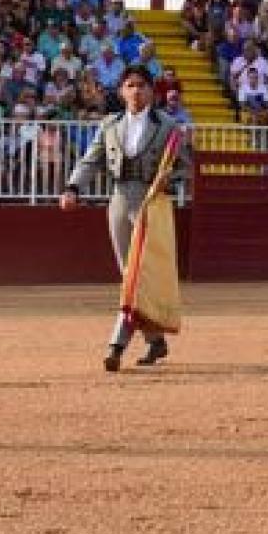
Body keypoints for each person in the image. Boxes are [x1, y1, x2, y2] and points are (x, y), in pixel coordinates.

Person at [60, 64, 190, 371]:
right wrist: (73, 187)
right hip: (119, 201)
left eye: (142, 85)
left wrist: (168, 182)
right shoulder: (109, 124)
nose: (136, 91)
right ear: (121, 91)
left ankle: (116, 346)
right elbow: (91, 160)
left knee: (137, 275)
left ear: (152, 91)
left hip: (152, 202)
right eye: (130, 85)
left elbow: (184, 166)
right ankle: (155, 340)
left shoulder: (168, 126)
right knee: (128, 273)